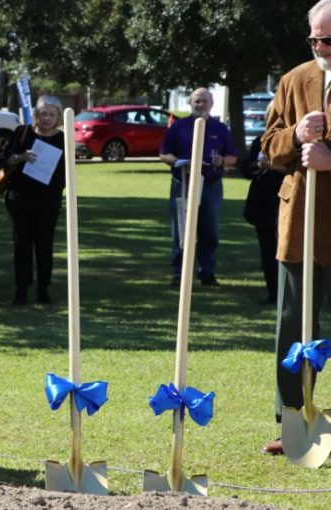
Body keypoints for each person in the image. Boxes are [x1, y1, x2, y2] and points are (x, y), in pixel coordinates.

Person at [259, 0, 331, 455]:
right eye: (315, 39)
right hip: (300, 224)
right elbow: (268, 148)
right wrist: (297, 136)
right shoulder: (293, 79)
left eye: (329, 39)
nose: (322, 47)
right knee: (292, 326)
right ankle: (292, 423)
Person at [160, 88, 237, 287]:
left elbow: (233, 157)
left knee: (209, 231)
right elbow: (164, 153)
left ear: (211, 104)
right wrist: (176, 162)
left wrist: (221, 161)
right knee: (180, 230)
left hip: (210, 186)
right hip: (182, 184)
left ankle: (207, 274)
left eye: (204, 101)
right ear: (190, 103)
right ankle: (179, 275)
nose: (200, 105)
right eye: (197, 101)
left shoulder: (220, 129)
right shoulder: (179, 126)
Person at [0, 96, 66, 305]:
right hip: (19, 199)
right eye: (42, 113)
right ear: (36, 114)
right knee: (22, 246)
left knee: (45, 246)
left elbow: (66, 173)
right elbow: (3, 160)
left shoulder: (63, 139)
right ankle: (21, 290)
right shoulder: (22, 132)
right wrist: (21, 157)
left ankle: (43, 290)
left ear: (58, 117)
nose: (46, 118)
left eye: (51, 114)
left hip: (48, 201)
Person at [241, 125, 285, 306]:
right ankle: (273, 293)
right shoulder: (260, 140)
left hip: (286, 200)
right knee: (268, 250)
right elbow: (246, 169)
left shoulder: (297, 138)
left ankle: (293, 294)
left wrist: (270, 166)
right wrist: (256, 166)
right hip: (262, 205)